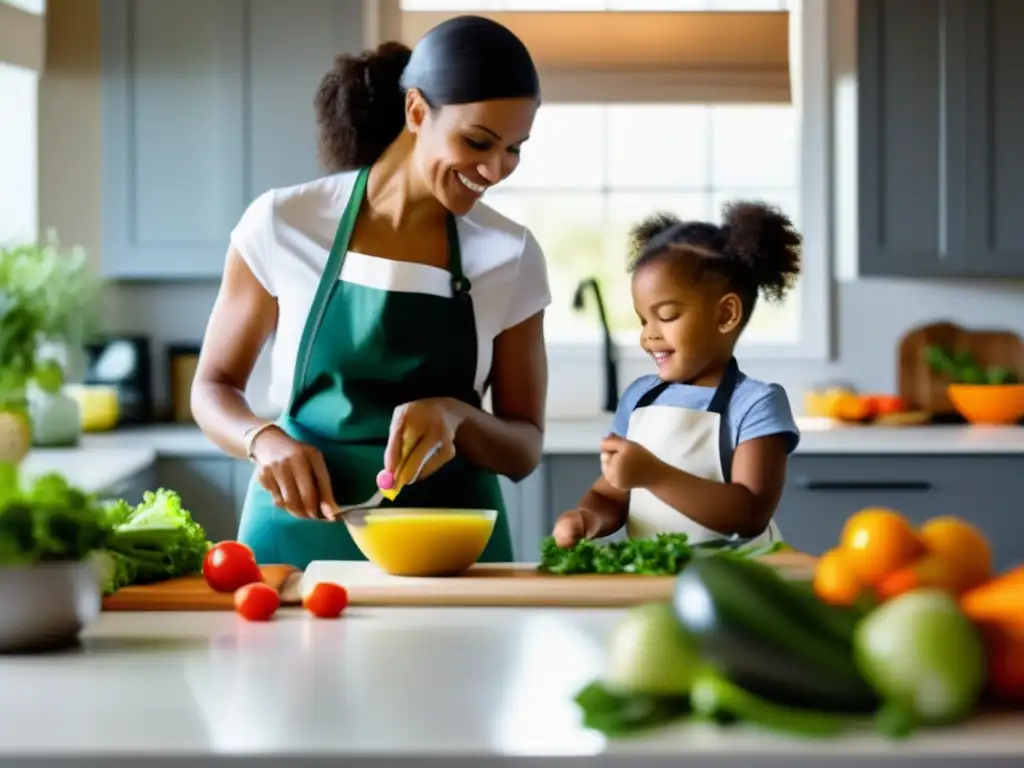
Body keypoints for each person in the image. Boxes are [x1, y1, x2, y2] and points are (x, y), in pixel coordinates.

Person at [191, 16, 551, 570]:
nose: (495, 169)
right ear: (416, 111)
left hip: (448, 551)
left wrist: (458, 417)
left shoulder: (510, 254)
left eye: (514, 149)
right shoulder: (285, 223)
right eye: (477, 141)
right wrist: (263, 439)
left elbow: (524, 448)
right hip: (295, 538)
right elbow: (212, 388)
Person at [551, 202, 802, 550]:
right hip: (657, 578)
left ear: (726, 314)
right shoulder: (639, 398)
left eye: (666, 316)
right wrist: (586, 518)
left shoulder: (755, 403)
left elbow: (750, 512)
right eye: (643, 321)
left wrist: (655, 475)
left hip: (738, 577)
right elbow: (611, 492)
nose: (648, 335)